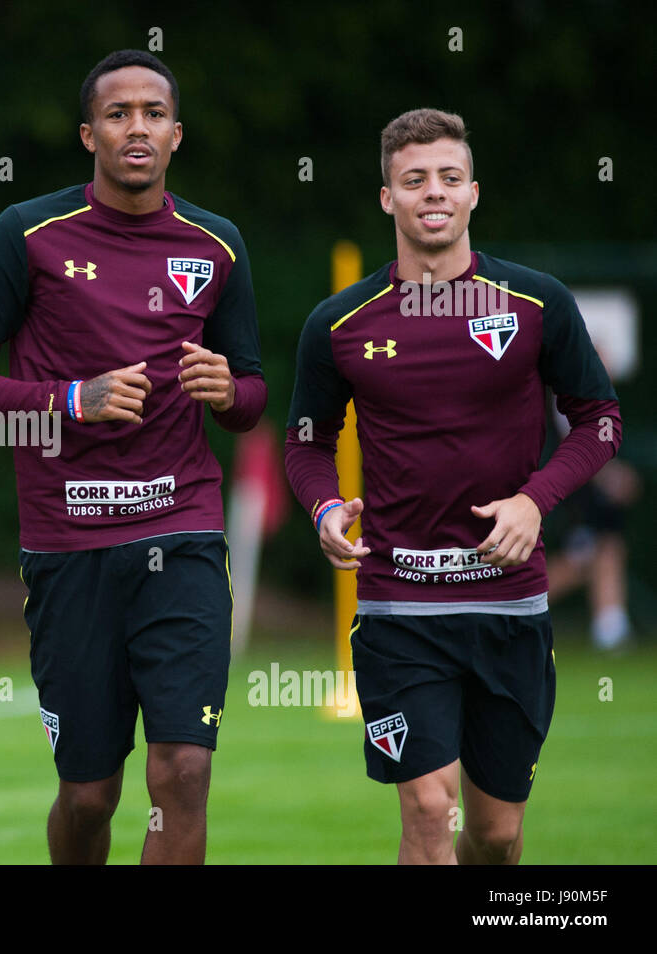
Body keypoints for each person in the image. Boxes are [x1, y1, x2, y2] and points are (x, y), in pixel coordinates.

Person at [0, 50, 265, 864]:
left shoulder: (217, 244)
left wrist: (228, 390)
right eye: (118, 114)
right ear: (89, 134)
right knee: (89, 797)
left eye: (153, 113)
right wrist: (68, 400)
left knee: (183, 770)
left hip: (181, 533)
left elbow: (251, 398)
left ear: (177, 135)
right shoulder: (27, 234)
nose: (136, 126)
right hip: (68, 545)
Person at [285, 108, 621, 864]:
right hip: (399, 608)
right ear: (387, 198)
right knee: (429, 813)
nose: (432, 192)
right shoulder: (338, 323)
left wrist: (536, 500)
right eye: (414, 180)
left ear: (473, 193)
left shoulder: (536, 304)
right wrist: (325, 506)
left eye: (448, 178)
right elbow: (305, 441)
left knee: (496, 838)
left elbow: (600, 419)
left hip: (510, 606)